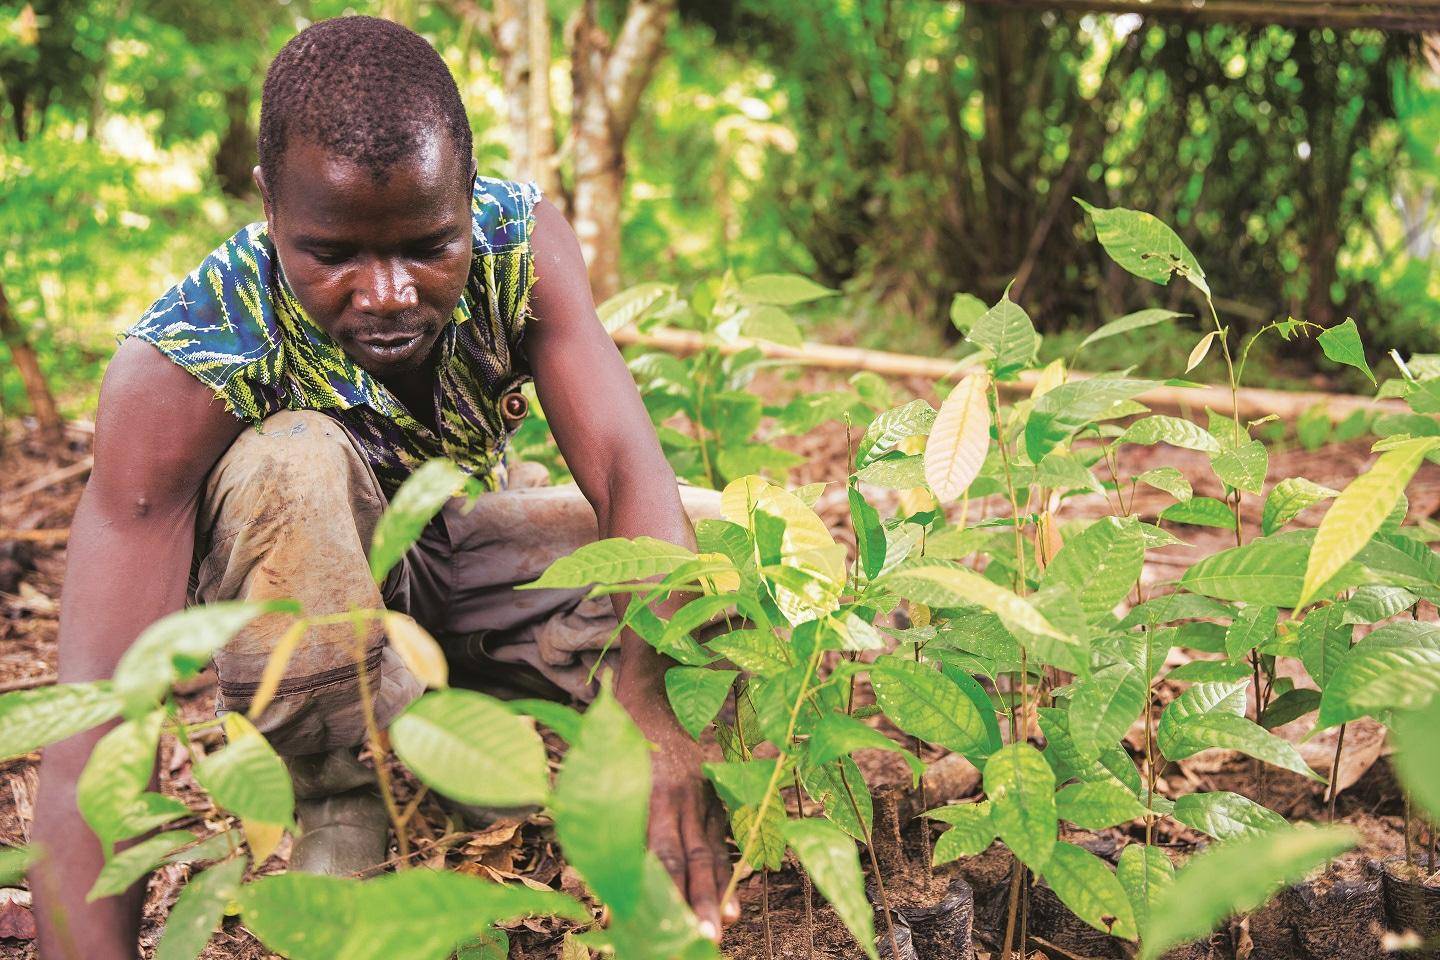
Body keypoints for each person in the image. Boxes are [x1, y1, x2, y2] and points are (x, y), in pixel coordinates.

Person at [30, 15, 734, 958]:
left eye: (426, 244)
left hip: (456, 572)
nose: (390, 291)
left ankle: (507, 767)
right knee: (290, 461)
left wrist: (656, 716)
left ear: (469, 195)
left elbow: (623, 469)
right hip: (313, 645)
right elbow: (103, 716)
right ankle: (345, 802)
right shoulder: (190, 356)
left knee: (719, 548)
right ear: (270, 208)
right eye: (335, 255)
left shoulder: (519, 246)